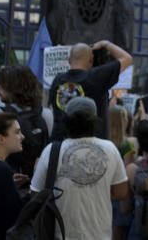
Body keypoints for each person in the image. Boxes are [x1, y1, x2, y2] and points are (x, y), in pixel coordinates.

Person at [31, 96, 130, 240]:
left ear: (66, 121)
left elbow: (35, 195)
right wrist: (94, 190)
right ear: (95, 121)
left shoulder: (52, 151)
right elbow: (121, 192)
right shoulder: (110, 149)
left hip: (61, 235)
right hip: (100, 235)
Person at [0, 64, 52, 185]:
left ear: (12, 89)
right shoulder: (45, 114)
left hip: (5, 180)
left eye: (0, 85)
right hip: (37, 184)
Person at [50, 40, 133, 141]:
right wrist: (105, 43)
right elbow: (127, 58)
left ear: (69, 60)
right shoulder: (96, 77)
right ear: (91, 60)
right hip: (93, 146)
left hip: (60, 146)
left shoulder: (57, 81)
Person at [110, 104, 138, 240]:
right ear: (123, 121)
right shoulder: (127, 144)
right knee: (119, 231)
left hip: (105, 191)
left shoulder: (103, 140)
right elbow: (128, 171)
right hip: (121, 193)